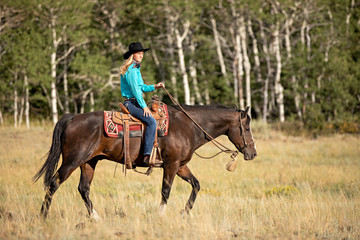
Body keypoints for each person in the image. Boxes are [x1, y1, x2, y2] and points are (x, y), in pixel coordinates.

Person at [120, 42, 164, 165]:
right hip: (132, 103)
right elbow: (135, 91)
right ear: (132, 55)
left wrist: (155, 86)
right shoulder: (132, 70)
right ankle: (147, 155)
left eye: (142, 53)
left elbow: (142, 87)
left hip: (135, 102)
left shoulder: (135, 69)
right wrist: (144, 106)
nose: (141, 56)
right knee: (151, 122)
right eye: (139, 53)